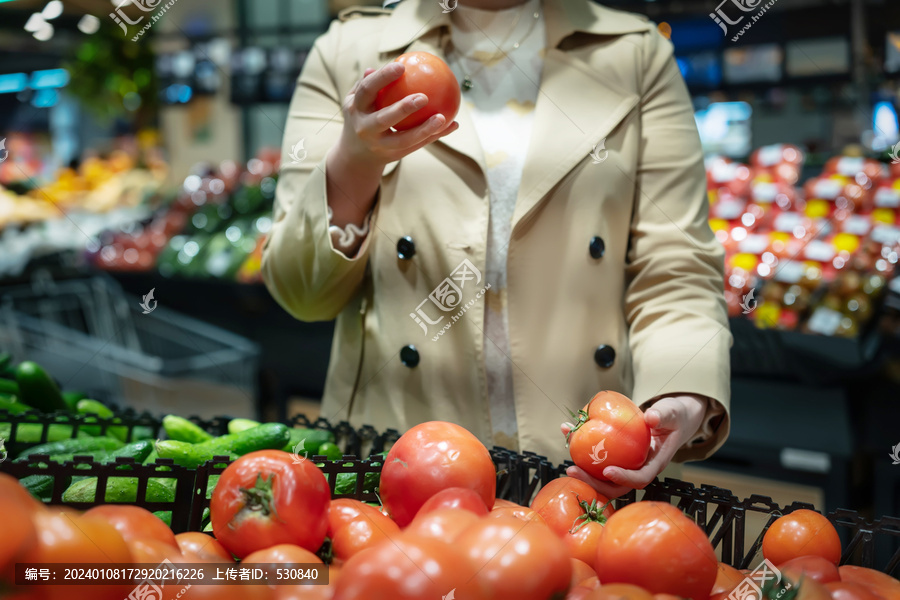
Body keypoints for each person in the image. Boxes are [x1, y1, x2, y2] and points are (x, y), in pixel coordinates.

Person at [262, 0, 732, 497]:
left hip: (589, 467)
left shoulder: (636, 55)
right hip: (398, 465)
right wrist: (355, 163)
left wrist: (680, 389)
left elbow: (677, 264)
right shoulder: (347, 51)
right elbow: (303, 295)